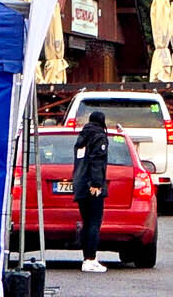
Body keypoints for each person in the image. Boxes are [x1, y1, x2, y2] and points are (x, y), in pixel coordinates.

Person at [73, 108, 112, 273]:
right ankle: (91, 259)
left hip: (80, 184)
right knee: (94, 223)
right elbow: (97, 161)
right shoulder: (99, 137)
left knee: (87, 222)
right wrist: (96, 183)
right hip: (92, 186)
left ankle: (86, 258)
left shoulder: (82, 137)